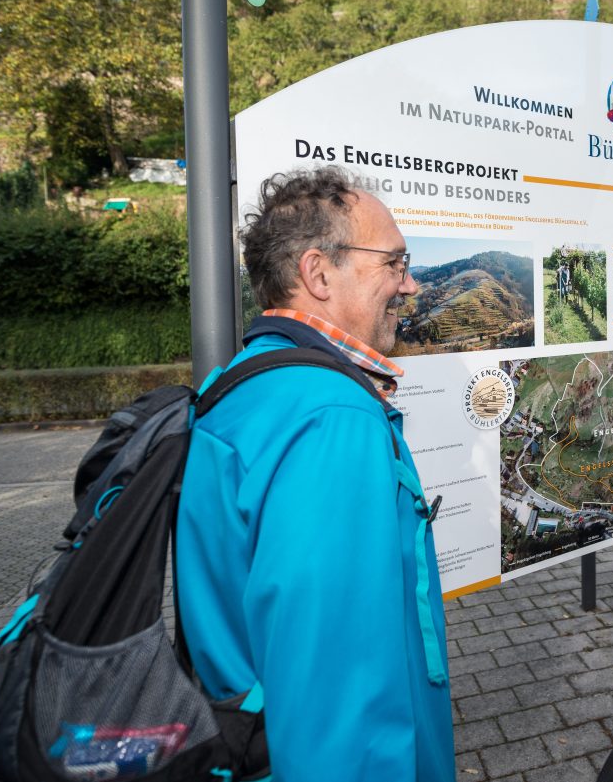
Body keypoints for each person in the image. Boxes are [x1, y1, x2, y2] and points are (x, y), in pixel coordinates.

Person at [176, 167, 454, 781]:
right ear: (318, 273)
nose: (410, 284)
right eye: (395, 262)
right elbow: (341, 692)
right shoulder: (333, 417)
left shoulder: (241, 384)